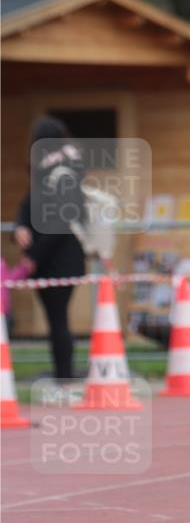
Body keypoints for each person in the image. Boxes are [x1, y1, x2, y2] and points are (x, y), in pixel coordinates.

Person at [14, 116, 86, 382]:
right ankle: (62, 374)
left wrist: (33, 257)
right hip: (44, 258)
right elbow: (27, 205)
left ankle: (64, 376)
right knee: (55, 319)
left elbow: (59, 222)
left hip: (61, 258)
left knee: (58, 319)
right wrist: (20, 227)